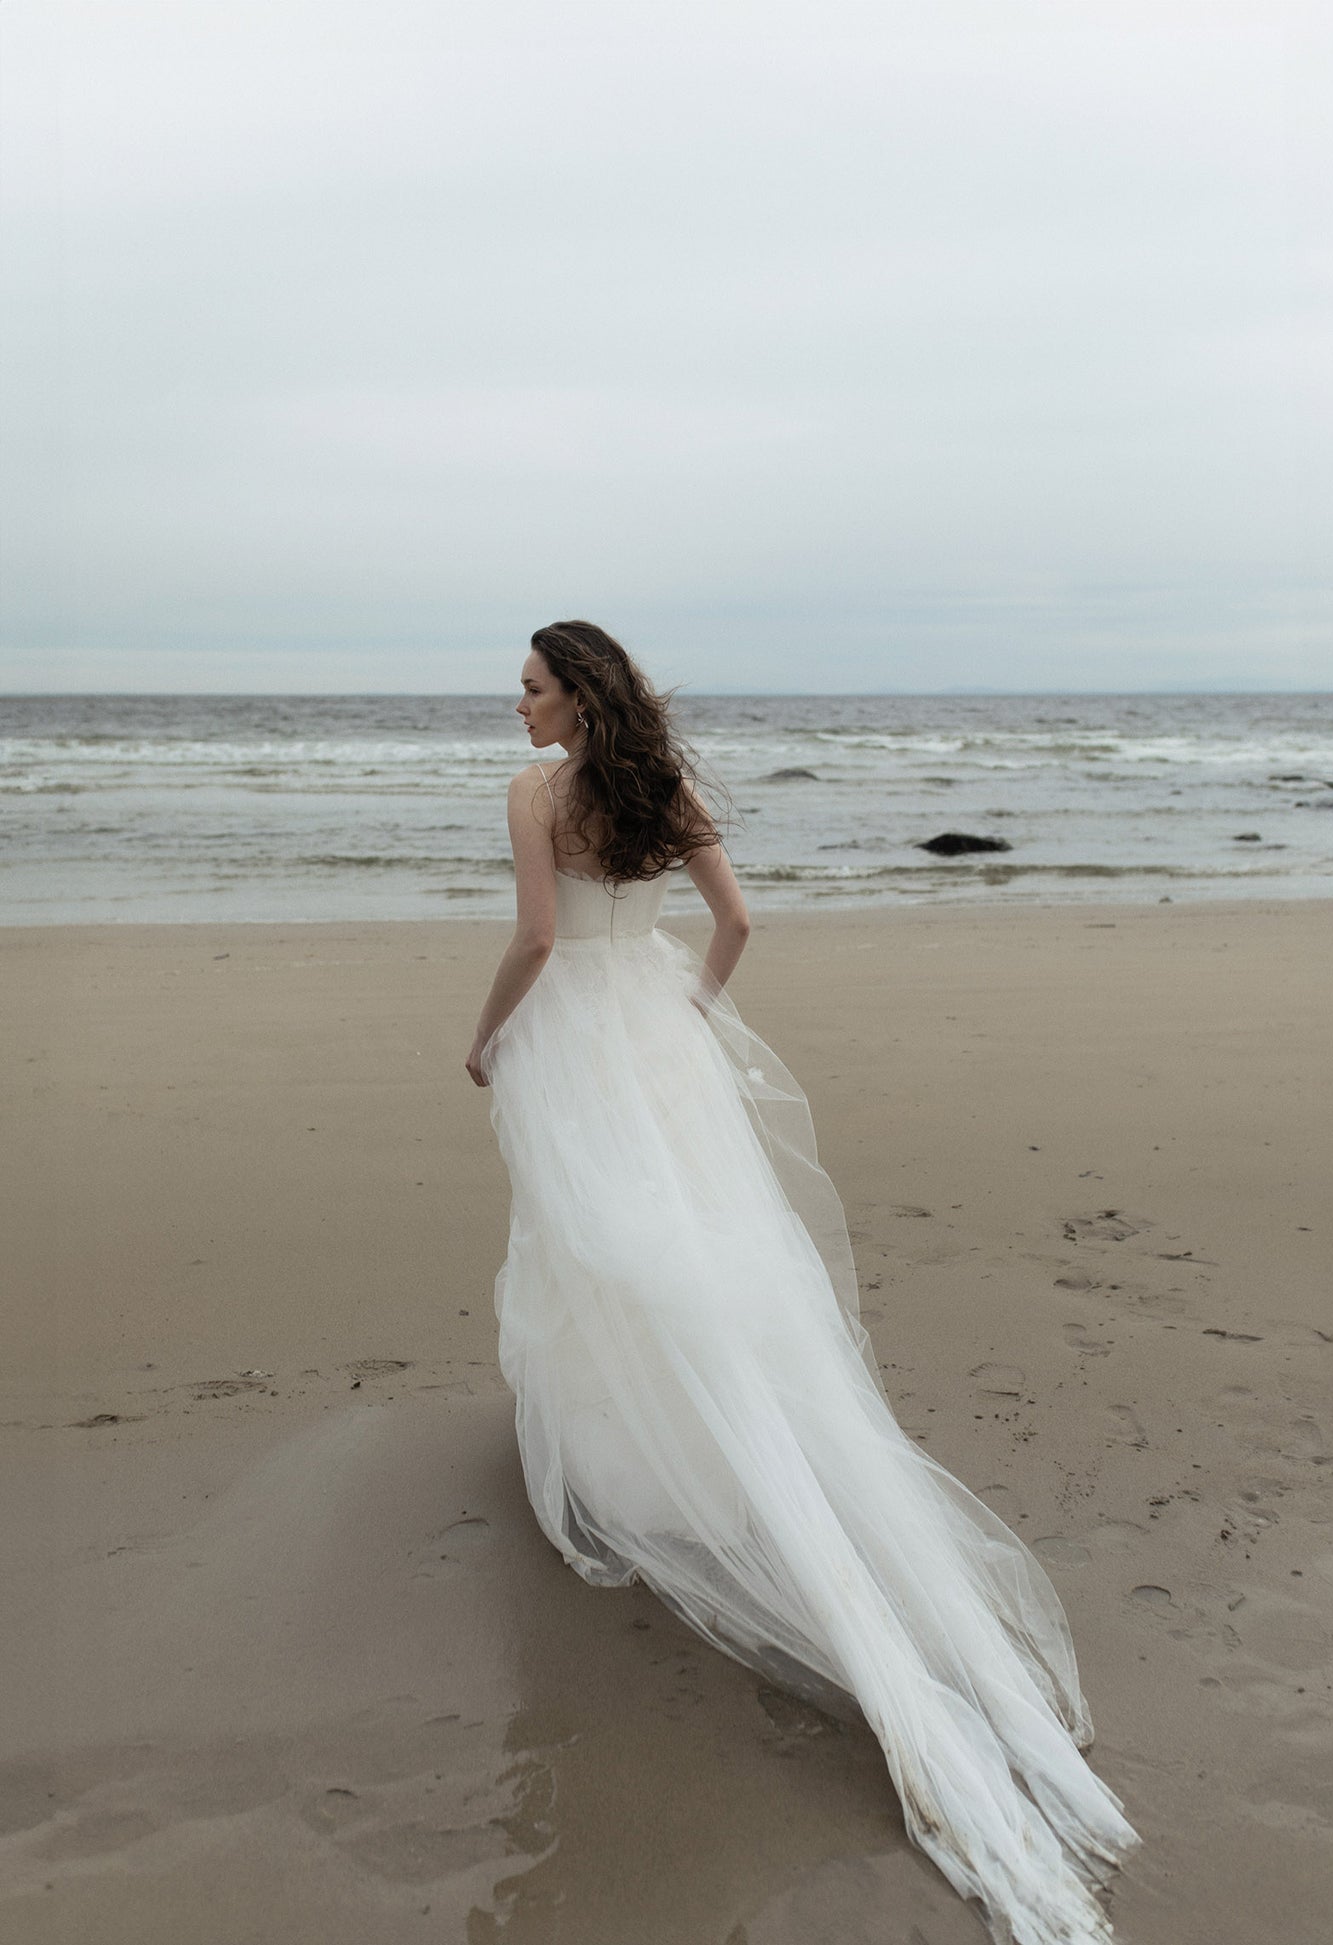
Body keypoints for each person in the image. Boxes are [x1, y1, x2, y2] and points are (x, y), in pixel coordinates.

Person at [465, 620, 1140, 1945]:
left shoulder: (534, 792)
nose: (518, 704)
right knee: (703, 1251)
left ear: (575, 691)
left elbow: (539, 939)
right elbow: (736, 919)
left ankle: (633, 1460)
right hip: (659, 1033)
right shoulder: (665, 781)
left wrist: (484, 1037)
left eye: (533, 684)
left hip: (575, 1040)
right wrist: (692, 1014)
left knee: (600, 1246)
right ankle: (688, 1444)